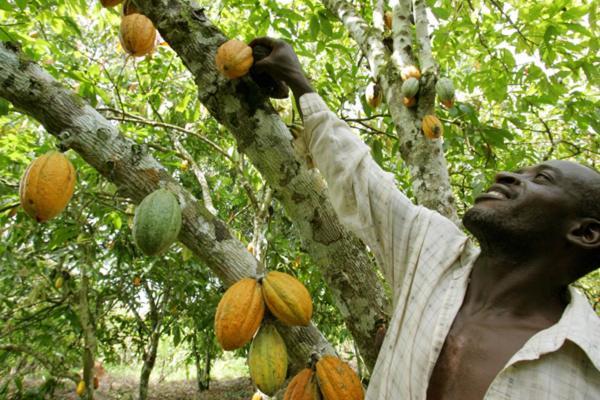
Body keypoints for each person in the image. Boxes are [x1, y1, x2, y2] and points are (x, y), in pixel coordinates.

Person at [249, 37, 600, 399]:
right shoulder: (431, 250)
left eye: (539, 179)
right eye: (521, 170)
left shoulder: (588, 371)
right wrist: (299, 82)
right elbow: (358, 179)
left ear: (586, 233)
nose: (508, 176)